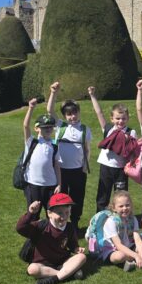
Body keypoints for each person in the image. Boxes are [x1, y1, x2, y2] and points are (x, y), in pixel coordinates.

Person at [16, 193, 86, 284]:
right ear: (49, 213)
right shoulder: (41, 226)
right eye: (59, 213)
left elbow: (72, 243)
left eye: (67, 212)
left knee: (82, 257)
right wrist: (30, 213)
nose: (64, 216)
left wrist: (76, 249)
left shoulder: (69, 227)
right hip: (43, 264)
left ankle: (53, 280)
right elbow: (20, 228)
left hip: (62, 261)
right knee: (32, 269)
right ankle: (68, 274)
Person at [46, 81, 91, 230]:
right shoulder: (60, 126)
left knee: (78, 197)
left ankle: (75, 223)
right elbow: (50, 110)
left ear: (79, 112)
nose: (72, 116)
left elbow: (87, 149)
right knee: (60, 197)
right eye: (69, 114)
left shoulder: (85, 129)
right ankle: (60, 223)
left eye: (75, 113)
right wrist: (53, 93)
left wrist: (85, 166)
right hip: (61, 170)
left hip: (78, 170)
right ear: (65, 116)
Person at [89, 86, 138, 211]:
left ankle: (121, 218)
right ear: (112, 119)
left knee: (121, 197)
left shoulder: (131, 132)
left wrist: (131, 163)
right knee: (103, 196)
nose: (120, 121)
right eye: (117, 118)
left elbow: (134, 153)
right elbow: (99, 113)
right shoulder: (108, 129)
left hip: (121, 169)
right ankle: (100, 218)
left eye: (123, 118)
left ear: (127, 118)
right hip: (106, 166)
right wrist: (92, 95)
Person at [86, 190, 142, 271]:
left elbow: (137, 239)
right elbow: (118, 245)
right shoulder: (111, 221)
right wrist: (136, 255)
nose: (125, 208)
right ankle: (137, 258)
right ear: (114, 208)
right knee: (120, 256)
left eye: (127, 205)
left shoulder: (133, 219)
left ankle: (136, 259)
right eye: (121, 206)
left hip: (129, 245)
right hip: (113, 250)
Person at [22, 98, 61, 219]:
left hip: (51, 185)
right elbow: (25, 126)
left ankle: (51, 231)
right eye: (44, 127)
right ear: (37, 128)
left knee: (52, 214)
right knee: (33, 214)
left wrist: (59, 184)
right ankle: (32, 231)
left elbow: (57, 166)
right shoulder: (32, 142)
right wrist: (31, 108)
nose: (48, 129)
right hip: (34, 184)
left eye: (50, 127)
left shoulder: (54, 146)